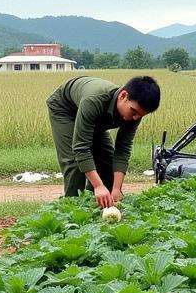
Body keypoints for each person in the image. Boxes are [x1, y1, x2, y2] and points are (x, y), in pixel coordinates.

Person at [46, 75, 160, 206]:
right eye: (133, 111)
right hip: (66, 110)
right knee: (75, 163)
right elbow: (81, 148)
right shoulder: (95, 100)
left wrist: (116, 189)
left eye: (140, 115)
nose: (135, 118)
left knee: (107, 163)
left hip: (94, 117)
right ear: (123, 96)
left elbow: (123, 150)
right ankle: (71, 209)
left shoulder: (135, 114)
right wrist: (98, 186)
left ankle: (94, 206)